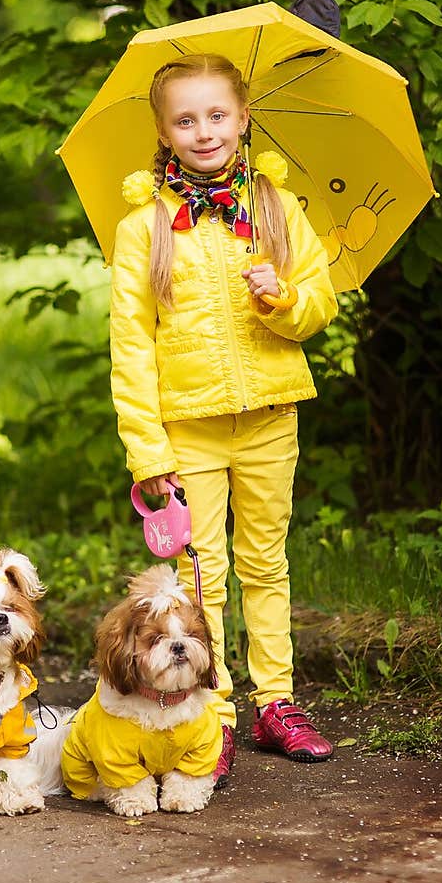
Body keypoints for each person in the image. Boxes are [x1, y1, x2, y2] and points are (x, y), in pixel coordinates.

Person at [108, 51, 339, 789]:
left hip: (271, 416)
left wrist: (284, 301)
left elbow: (319, 307)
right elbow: (130, 348)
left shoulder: (277, 208)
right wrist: (148, 452)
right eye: (186, 119)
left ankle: (277, 701)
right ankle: (215, 712)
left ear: (242, 119)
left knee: (267, 563)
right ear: (164, 129)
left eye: (217, 115)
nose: (203, 131)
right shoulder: (142, 228)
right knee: (200, 579)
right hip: (188, 429)